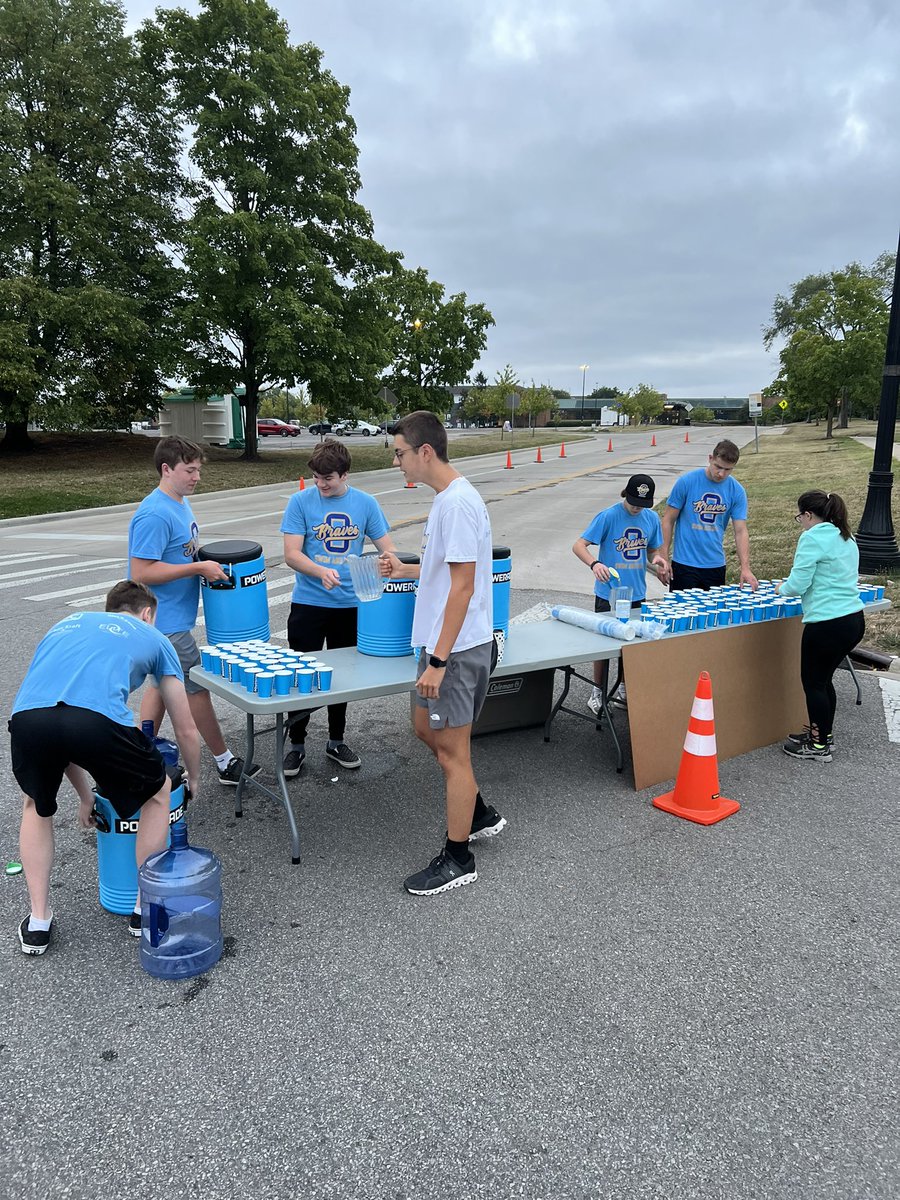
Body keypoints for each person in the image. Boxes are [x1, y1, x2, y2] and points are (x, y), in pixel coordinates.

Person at [9, 581, 201, 955]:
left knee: (35, 804)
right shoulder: (155, 637)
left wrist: (86, 797)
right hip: (96, 722)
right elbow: (185, 728)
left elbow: (59, 723)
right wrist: (193, 777)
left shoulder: (66, 623)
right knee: (158, 792)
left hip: (29, 719)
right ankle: (142, 910)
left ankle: (38, 922)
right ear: (148, 613)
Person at [380, 410, 506, 897]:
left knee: (454, 753)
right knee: (422, 729)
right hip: (443, 644)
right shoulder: (447, 499)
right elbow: (443, 575)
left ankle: (458, 857)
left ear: (424, 451)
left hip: (453, 651)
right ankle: (476, 811)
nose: (398, 463)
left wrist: (437, 661)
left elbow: (463, 588)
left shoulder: (455, 505)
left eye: (400, 453)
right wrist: (404, 571)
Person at [128, 435, 257, 786]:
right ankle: (225, 762)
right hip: (163, 622)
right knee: (196, 687)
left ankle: (142, 750)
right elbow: (141, 572)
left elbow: (178, 554)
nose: (196, 477)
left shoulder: (179, 502)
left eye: (198, 469)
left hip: (169, 620)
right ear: (166, 469)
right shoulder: (154, 513)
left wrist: (205, 565)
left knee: (160, 686)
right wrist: (197, 569)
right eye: (189, 470)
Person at [279, 438, 397, 774]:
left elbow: (388, 548)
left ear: (345, 475)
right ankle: (296, 744)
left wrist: (385, 564)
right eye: (316, 477)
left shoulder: (366, 504)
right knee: (300, 673)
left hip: (350, 604)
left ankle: (335, 741)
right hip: (309, 603)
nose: (320, 484)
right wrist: (319, 571)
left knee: (342, 676)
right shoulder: (300, 502)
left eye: (327, 478)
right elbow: (291, 554)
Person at [777, 491, 865, 762]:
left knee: (814, 683)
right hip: (852, 619)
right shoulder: (845, 535)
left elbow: (798, 584)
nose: (800, 522)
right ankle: (823, 736)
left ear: (808, 515)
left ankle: (817, 747)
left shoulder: (812, 537)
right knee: (824, 680)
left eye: (799, 517)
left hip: (827, 622)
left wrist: (781, 588)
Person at [572, 474, 670, 715]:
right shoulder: (608, 516)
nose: (637, 508)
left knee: (631, 644)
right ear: (625, 494)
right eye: (634, 502)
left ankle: (625, 689)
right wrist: (595, 564)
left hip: (636, 592)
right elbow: (579, 545)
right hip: (609, 593)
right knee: (603, 644)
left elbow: (652, 550)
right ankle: (597, 692)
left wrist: (657, 560)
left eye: (643, 504)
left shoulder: (651, 518)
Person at [660, 438, 758, 592]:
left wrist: (745, 568)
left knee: (711, 615)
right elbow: (668, 520)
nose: (721, 473)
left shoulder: (736, 491)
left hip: (715, 565)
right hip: (684, 564)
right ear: (710, 459)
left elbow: (741, 531)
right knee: (683, 614)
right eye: (718, 467)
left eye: (728, 470)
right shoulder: (687, 481)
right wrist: (664, 558)